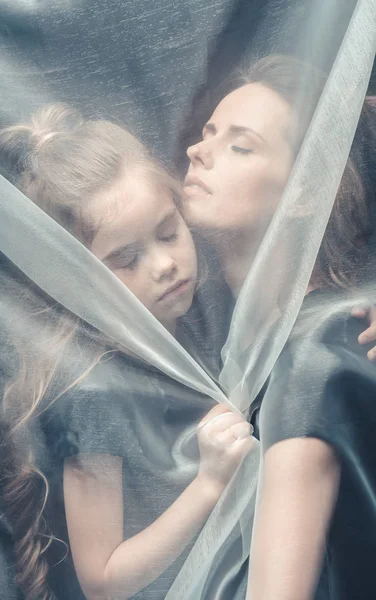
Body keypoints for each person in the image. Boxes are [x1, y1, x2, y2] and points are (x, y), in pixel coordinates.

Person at [0, 103, 254, 600]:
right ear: (75, 280)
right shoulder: (97, 393)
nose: (164, 265)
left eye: (168, 233)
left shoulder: (197, 314)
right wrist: (211, 484)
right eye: (125, 259)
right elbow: (104, 579)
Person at [182, 53, 376, 598]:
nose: (199, 150)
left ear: (307, 192)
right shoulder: (245, 347)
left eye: (240, 146)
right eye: (208, 133)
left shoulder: (310, 356)